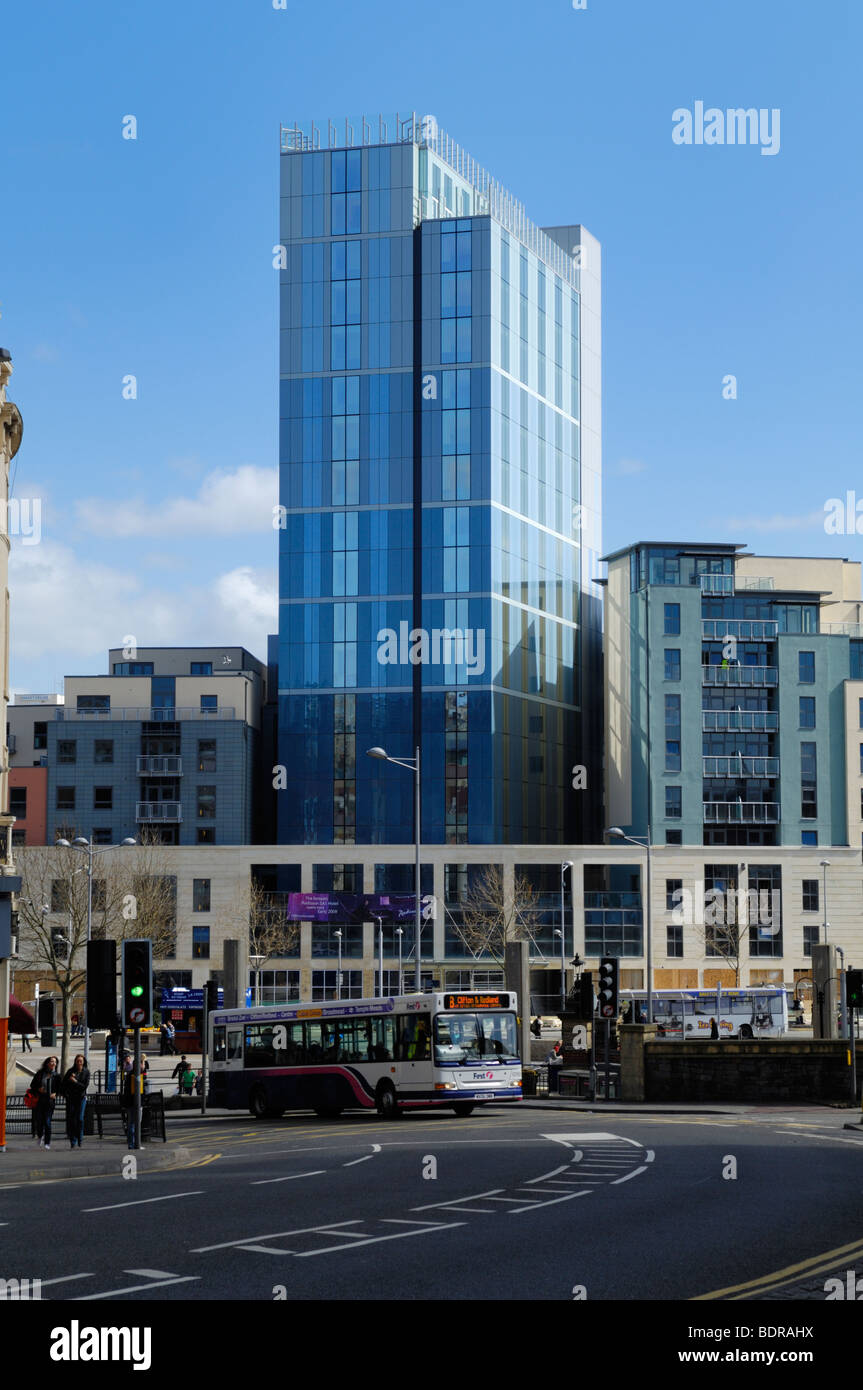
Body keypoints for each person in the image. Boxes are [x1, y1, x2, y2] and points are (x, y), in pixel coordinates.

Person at [30, 1055, 60, 1149]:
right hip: (40, 1100)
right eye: (51, 1061)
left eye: (55, 1062)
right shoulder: (40, 1073)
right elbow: (32, 1085)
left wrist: (55, 1094)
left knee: (47, 1122)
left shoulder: (57, 1076)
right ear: (47, 1063)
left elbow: (60, 1088)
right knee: (39, 1121)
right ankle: (40, 1136)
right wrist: (39, 1089)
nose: (53, 1063)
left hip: (50, 1101)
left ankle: (47, 1142)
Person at [62, 1054, 90, 1149]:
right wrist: (66, 1094)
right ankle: (73, 1141)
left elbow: (84, 1086)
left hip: (81, 1098)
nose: (79, 1063)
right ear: (75, 1062)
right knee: (72, 1120)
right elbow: (63, 1084)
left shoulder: (86, 1072)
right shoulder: (70, 1071)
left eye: (81, 1061)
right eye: (77, 1061)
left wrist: (75, 1081)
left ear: (83, 1062)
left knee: (80, 1119)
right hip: (71, 1099)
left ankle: (80, 1138)